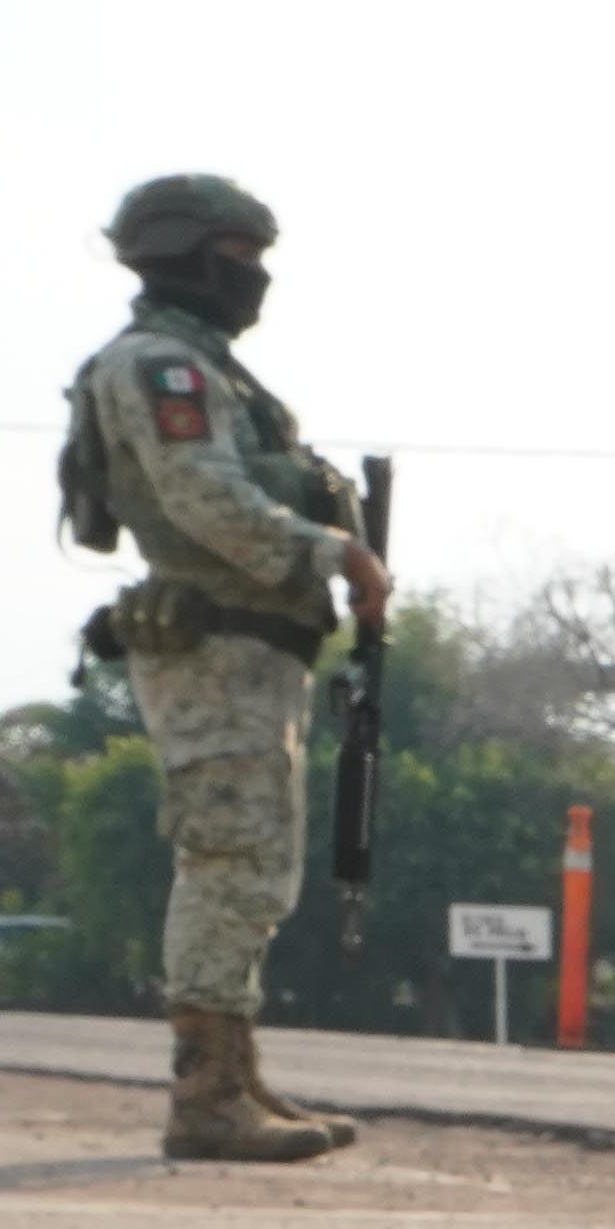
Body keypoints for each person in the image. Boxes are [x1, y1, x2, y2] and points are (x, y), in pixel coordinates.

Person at [61, 171, 379, 1164]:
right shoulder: (161, 368)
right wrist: (338, 553)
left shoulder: (211, 371)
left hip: (253, 649)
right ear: (185, 255)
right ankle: (204, 1096)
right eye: (240, 257)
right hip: (213, 645)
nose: (256, 278)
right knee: (229, 856)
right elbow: (204, 498)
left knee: (256, 867)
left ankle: (234, 1073)